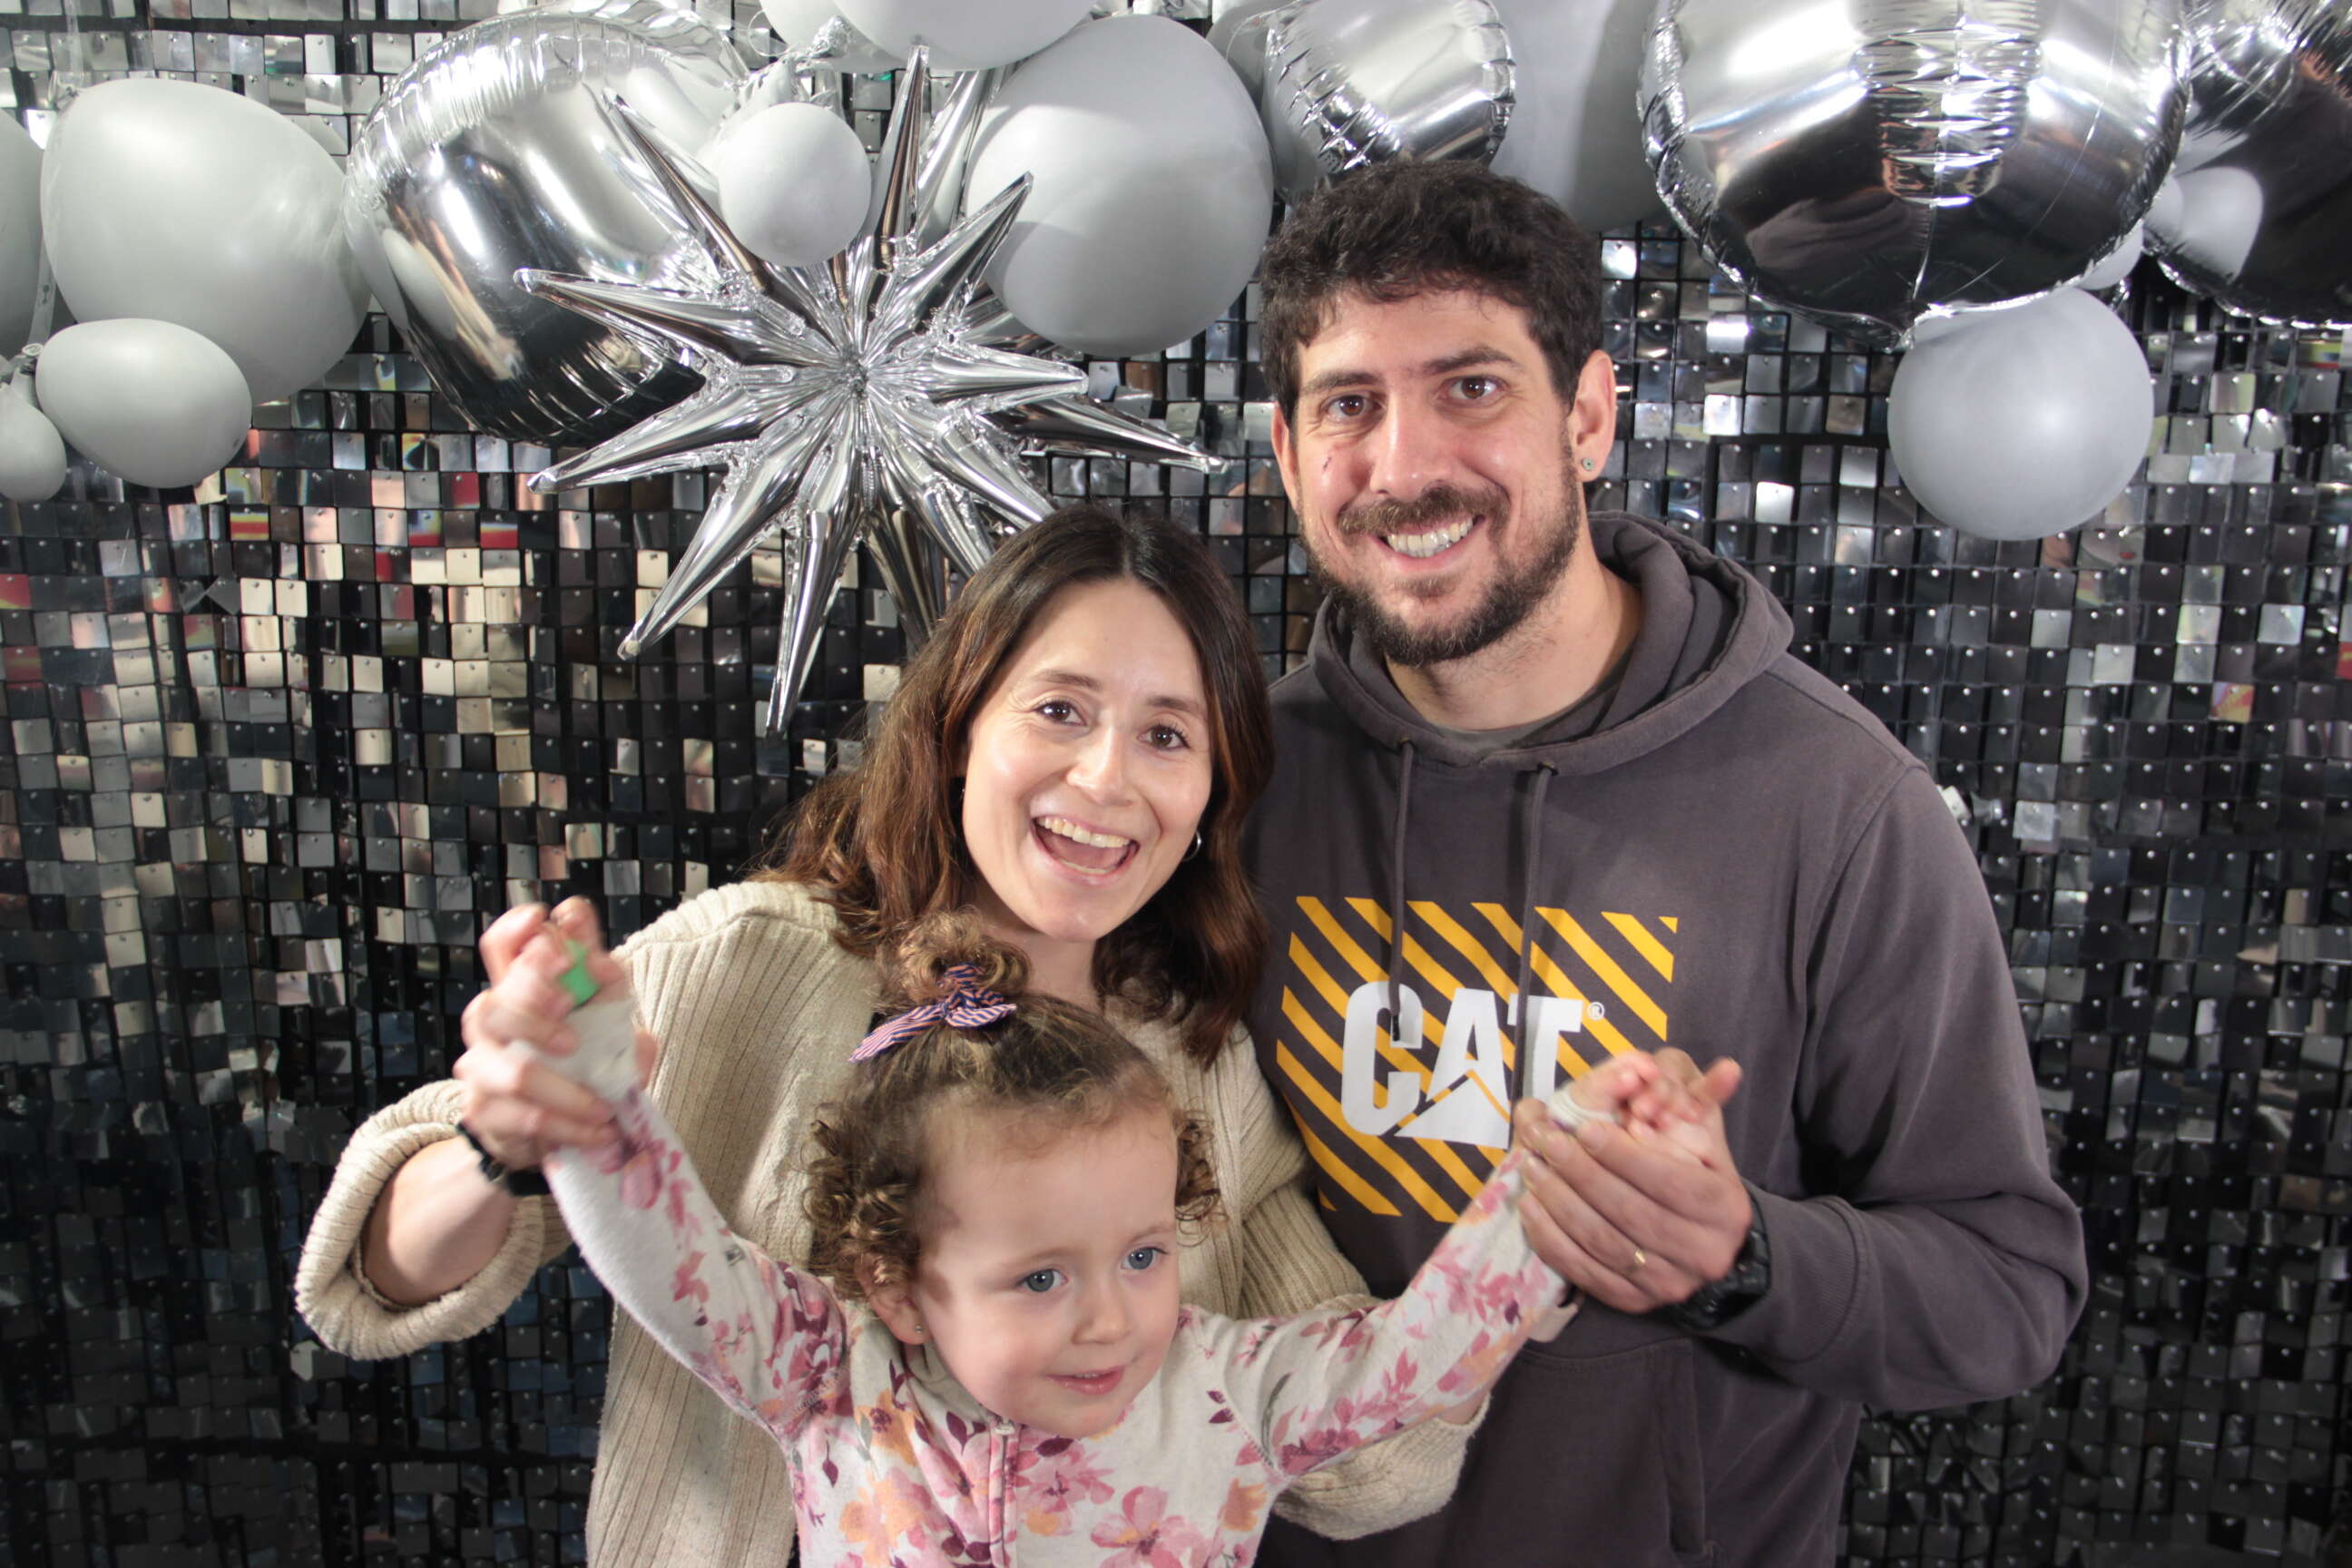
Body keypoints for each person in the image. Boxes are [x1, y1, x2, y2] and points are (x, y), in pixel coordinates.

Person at [295, 505, 1490, 1567]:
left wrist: (1515, 1254)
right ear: (961, 724)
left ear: (1213, 790)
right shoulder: (739, 965)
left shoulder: (1200, 1063)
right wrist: (505, 1144)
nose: (1105, 777)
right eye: (1060, 710)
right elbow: (369, 1282)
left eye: (1167, 735)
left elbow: (1383, 1467)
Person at [1240, 160, 2092, 1568]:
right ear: (1287, 452)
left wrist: (1741, 1256)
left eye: (1471, 387)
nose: (1403, 467)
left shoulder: (1838, 804)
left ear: (1586, 415)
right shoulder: (1234, 790)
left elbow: (2008, 1295)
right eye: (1349, 406)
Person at [534, 909, 1720, 1564]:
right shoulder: (832, 1375)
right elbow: (671, 1267)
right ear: (897, 1284)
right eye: (1040, 1276)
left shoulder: (1226, 1388)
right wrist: (592, 1092)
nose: (1113, 1318)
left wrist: (1562, 1172)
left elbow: (1419, 1357)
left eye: (1144, 1255)